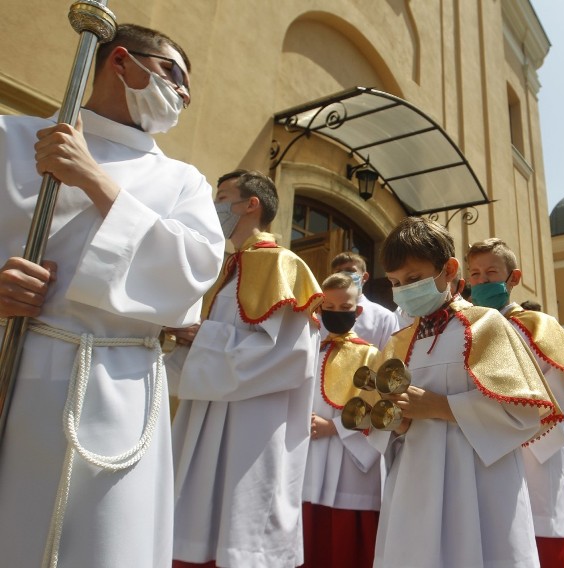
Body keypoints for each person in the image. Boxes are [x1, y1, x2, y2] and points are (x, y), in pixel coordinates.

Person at [0, 23, 223, 568]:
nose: (183, 94)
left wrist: (94, 180)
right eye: (172, 72)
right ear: (121, 60)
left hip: (119, 389)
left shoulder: (183, 182)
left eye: (188, 87)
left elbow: (193, 268)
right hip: (14, 371)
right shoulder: (10, 138)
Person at [371, 217, 559, 567]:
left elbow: (523, 413)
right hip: (415, 482)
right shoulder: (399, 342)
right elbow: (389, 426)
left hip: (477, 484)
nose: (404, 290)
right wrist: (396, 424)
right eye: (396, 283)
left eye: (414, 279)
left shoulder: (486, 325)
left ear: (449, 269)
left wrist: (443, 407)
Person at [169, 170, 322, 568]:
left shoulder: (284, 265)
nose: (214, 207)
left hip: (255, 427)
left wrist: (201, 336)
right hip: (209, 412)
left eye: (223, 197)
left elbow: (290, 357)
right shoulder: (228, 270)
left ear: (250, 205)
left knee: (241, 535)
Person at [466, 238, 564, 567]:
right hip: (475, 451)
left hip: (531, 457)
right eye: (475, 274)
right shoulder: (465, 329)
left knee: (535, 538)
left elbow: (560, 396)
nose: (482, 281)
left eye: (491, 272)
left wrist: (510, 435)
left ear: (513, 278)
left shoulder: (540, 327)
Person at [302, 272, 382, 568]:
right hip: (309, 454)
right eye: (329, 308)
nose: (336, 314)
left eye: (344, 308)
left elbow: (379, 409)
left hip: (350, 459)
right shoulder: (310, 350)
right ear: (319, 309)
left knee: (347, 543)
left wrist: (333, 427)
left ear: (357, 311)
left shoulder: (371, 355)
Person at [328, 252, 398, 349]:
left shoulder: (385, 317)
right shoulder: (319, 315)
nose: (343, 275)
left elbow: (390, 357)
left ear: (364, 277)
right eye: (338, 272)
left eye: (350, 270)